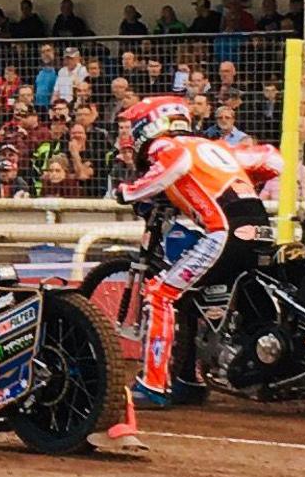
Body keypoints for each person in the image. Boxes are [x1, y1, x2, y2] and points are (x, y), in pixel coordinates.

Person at [114, 95, 266, 411]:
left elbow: (174, 166)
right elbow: (271, 160)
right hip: (258, 226)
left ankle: (152, 386)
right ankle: (188, 380)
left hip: (223, 231)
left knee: (160, 293)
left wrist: (129, 191)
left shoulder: (166, 147)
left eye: (135, 127)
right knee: (194, 294)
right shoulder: (212, 146)